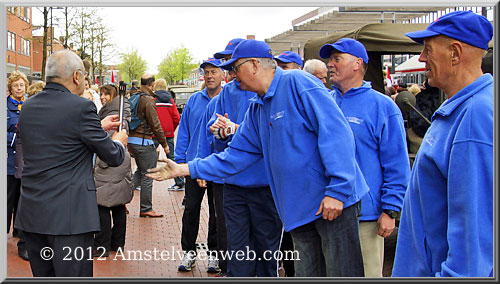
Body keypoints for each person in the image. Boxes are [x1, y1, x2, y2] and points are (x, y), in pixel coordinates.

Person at [147, 39, 369, 277]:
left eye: (236, 67)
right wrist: (183, 169)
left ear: (254, 65)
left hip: (332, 203)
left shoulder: (298, 83)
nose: (231, 74)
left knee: (342, 273)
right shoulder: (258, 108)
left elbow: (336, 133)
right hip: (301, 209)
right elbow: (236, 156)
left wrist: (337, 189)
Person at [392, 10, 494, 277]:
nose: (422, 58)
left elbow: (472, 243)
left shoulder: (475, 116)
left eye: (427, 50)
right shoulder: (462, 108)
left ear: (455, 53)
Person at [14, 50, 128, 277]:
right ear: (76, 76)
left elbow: (58, 138)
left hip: (34, 214)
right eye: (85, 76)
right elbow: (113, 156)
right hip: (70, 218)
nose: (86, 82)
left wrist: (97, 127)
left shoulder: (27, 107)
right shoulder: (81, 108)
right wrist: (119, 142)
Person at [319, 38, 410, 277]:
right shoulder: (324, 103)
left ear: (358, 64)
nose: (330, 64)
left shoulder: (382, 107)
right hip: (327, 212)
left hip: (366, 216)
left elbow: (396, 164)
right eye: (330, 59)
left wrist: (390, 210)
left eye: (337, 59)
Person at [200, 38, 282, 277]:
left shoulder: (269, 92)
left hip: (264, 183)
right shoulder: (226, 94)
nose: (230, 71)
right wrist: (219, 130)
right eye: (227, 64)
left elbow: (270, 134)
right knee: (237, 251)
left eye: (232, 64)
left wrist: (236, 129)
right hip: (233, 182)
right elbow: (213, 132)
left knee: (267, 249)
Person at [175, 58, 221, 272]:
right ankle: (188, 252)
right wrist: (180, 161)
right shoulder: (194, 100)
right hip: (193, 166)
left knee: (217, 213)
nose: (210, 76)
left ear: (222, 74)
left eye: (214, 71)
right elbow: (183, 131)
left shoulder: (226, 99)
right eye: (207, 72)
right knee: (191, 209)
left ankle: (215, 254)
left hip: (218, 168)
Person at [93, 84, 134, 258]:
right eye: (101, 94)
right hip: (119, 162)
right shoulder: (121, 109)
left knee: (102, 204)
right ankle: (117, 243)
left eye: (105, 94)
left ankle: (102, 245)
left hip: (108, 162)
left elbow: (108, 142)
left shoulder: (113, 113)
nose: (102, 97)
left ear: (114, 96)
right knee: (117, 205)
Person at [128, 74, 170, 218]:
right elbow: (155, 124)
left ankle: (121, 202)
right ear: (152, 85)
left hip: (132, 141)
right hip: (143, 142)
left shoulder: (135, 97)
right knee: (148, 174)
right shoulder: (148, 101)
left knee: (139, 172)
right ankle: (146, 208)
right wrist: (164, 144)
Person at [7, 70, 29, 261]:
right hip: (8, 162)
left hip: (24, 163)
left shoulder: (30, 105)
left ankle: (20, 234)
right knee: (7, 200)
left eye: (22, 85)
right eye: (16, 85)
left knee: (23, 202)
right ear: (10, 88)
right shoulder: (5, 106)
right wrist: (15, 137)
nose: (19, 88)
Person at [152, 78, 184, 191]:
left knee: (149, 158)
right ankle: (179, 182)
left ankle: (144, 181)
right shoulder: (170, 100)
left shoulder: (153, 100)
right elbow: (176, 118)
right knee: (172, 158)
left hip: (155, 134)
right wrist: (171, 129)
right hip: (168, 133)